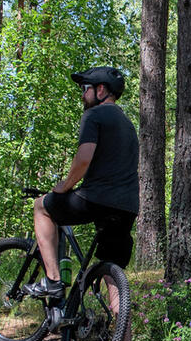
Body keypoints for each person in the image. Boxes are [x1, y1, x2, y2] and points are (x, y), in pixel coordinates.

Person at [27, 66, 139, 320]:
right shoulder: (128, 124)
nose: (82, 95)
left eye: (84, 89)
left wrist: (64, 187)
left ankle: (53, 281)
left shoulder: (95, 115)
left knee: (41, 207)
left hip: (97, 199)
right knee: (113, 274)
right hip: (128, 206)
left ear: (101, 90)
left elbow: (83, 158)